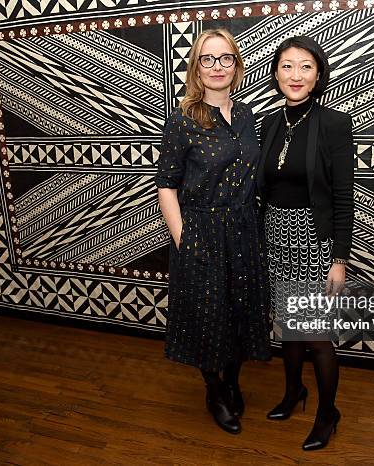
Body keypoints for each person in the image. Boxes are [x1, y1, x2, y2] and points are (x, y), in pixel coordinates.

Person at [155, 29, 271, 435]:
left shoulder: (245, 115)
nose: (217, 66)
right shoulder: (182, 120)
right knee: (208, 316)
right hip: (202, 230)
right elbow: (166, 183)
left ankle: (234, 381)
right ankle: (213, 390)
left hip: (243, 230)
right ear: (197, 68)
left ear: (237, 66)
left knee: (240, 312)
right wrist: (184, 239)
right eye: (208, 59)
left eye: (226, 58)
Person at [258, 36, 354, 450]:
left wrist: (340, 259)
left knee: (315, 335)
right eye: (287, 66)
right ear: (276, 73)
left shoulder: (334, 123)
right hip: (275, 237)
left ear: (318, 75)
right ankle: (294, 391)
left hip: (315, 242)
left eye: (305, 67)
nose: (295, 75)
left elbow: (343, 196)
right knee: (289, 328)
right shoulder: (270, 123)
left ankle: (327, 413)